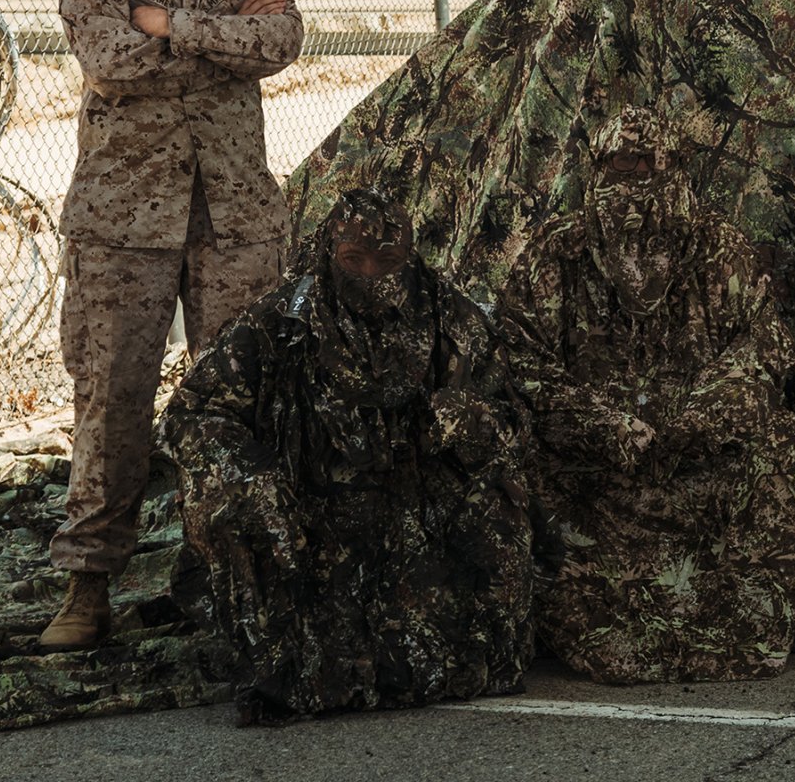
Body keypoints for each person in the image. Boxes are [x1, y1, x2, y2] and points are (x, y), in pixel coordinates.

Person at [41, 0, 303, 652]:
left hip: (232, 215)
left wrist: (173, 23)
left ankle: (233, 580)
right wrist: (220, 38)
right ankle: (88, 590)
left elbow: (282, 43)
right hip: (124, 219)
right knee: (111, 402)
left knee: (239, 403)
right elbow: (110, 61)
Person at [158, 188, 532, 724]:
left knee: (498, 502)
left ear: (410, 260)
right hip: (306, 512)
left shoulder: (449, 318)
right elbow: (190, 414)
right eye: (353, 260)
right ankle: (280, 659)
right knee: (240, 500)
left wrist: (466, 418)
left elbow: (514, 421)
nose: (371, 276)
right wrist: (253, 472)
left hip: (417, 514)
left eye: (388, 262)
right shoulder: (283, 322)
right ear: (328, 255)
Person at [496, 108, 795, 683]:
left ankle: (749, 608)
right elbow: (517, 358)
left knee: (778, 442)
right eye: (622, 163)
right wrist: (601, 423)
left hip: (695, 466)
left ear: (675, 168)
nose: (637, 178)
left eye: (651, 163)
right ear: (595, 169)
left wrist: (702, 415)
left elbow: (763, 346)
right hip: (592, 476)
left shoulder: (719, 249)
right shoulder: (557, 253)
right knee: (512, 457)